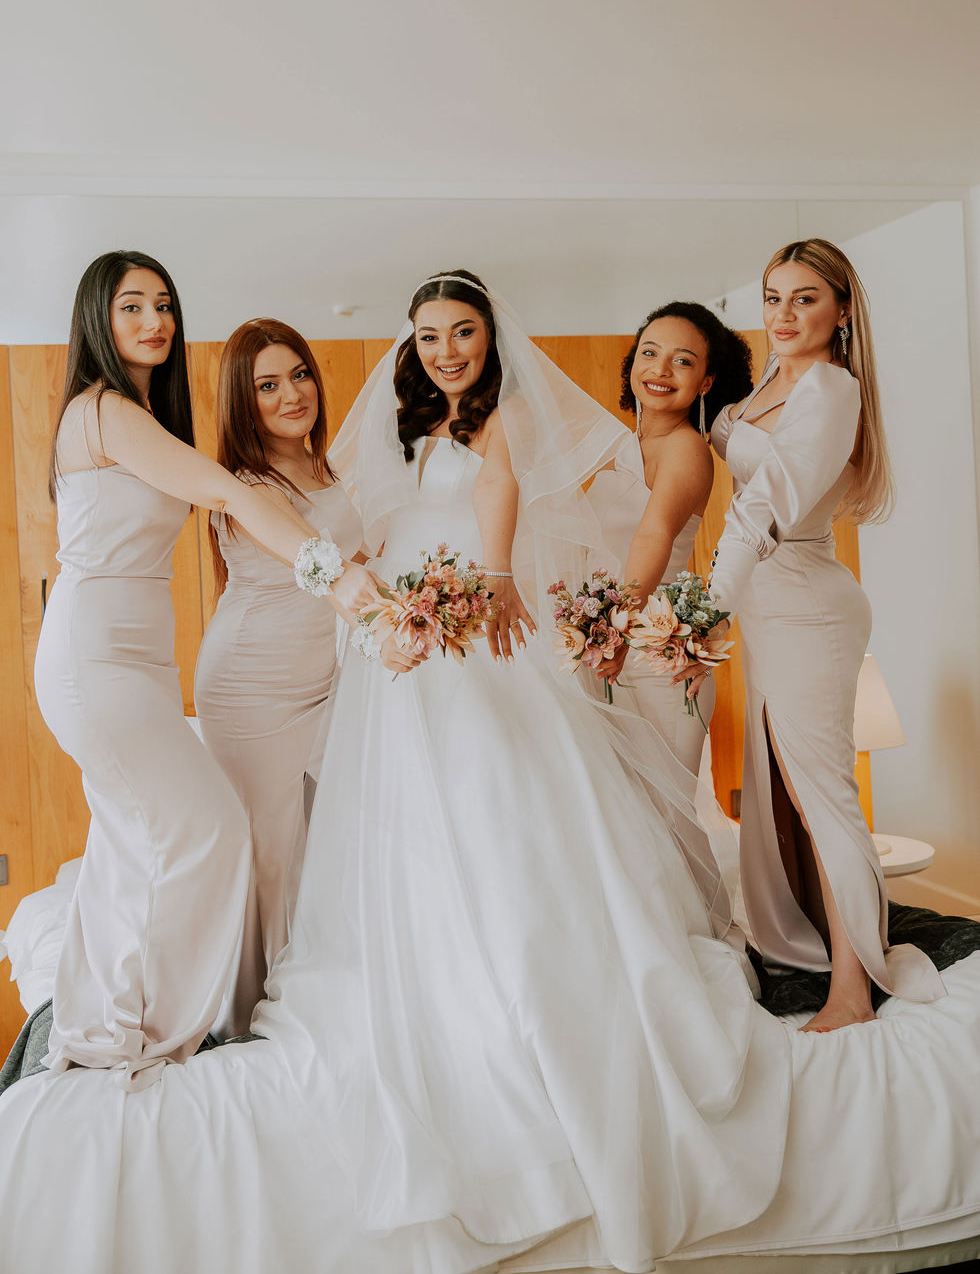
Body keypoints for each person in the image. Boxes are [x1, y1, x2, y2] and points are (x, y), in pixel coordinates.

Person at [2, 270, 979, 1274]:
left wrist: (494, 578)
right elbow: (359, 534)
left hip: (476, 627)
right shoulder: (383, 437)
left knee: (514, 811)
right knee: (345, 828)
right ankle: (192, 1003)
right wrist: (391, 598)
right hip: (391, 651)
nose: (443, 349)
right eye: (427, 334)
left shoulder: (505, 416)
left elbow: (503, 491)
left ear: (484, 337)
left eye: (460, 331)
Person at [35, 253, 377, 1087]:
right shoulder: (104, 410)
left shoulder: (145, 416)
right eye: (132, 308)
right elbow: (229, 494)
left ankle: (105, 1027)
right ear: (98, 322)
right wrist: (341, 580)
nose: (154, 321)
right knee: (210, 830)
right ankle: (164, 1033)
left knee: (129, 843)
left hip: (141, 662)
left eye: (164, 306)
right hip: (94, 657)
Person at [703, 239, 943, 1030]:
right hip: (769, 605)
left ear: (841, 311)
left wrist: (703, 609)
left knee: (824, 797)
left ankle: (851, 991)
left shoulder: (832, 389)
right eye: (773, 297)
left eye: (804, 298)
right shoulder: (773, 379)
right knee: (794, 796)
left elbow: (766, 501)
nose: (783, 314)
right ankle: (820, 942)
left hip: (804, 599)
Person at [194, 319, 365, 1035]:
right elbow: (319, 564)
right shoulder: (242, 485)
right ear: (244, 400)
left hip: (323, 679)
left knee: (322, 837)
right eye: (268, 384)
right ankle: (249, 1014)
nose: (292, 393)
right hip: (252, 683)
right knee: (269, 850)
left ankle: (313, 985)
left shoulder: (334, 469)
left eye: (299, 374)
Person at [589, 302, 752, 774]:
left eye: (682, 360)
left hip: (657, 655)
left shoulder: (686, 448)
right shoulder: (626, 445)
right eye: (649, 353)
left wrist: (618, 626)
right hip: (614, 644)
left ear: (705, 382)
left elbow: (654, 533)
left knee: (667, 823)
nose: (660, 369)